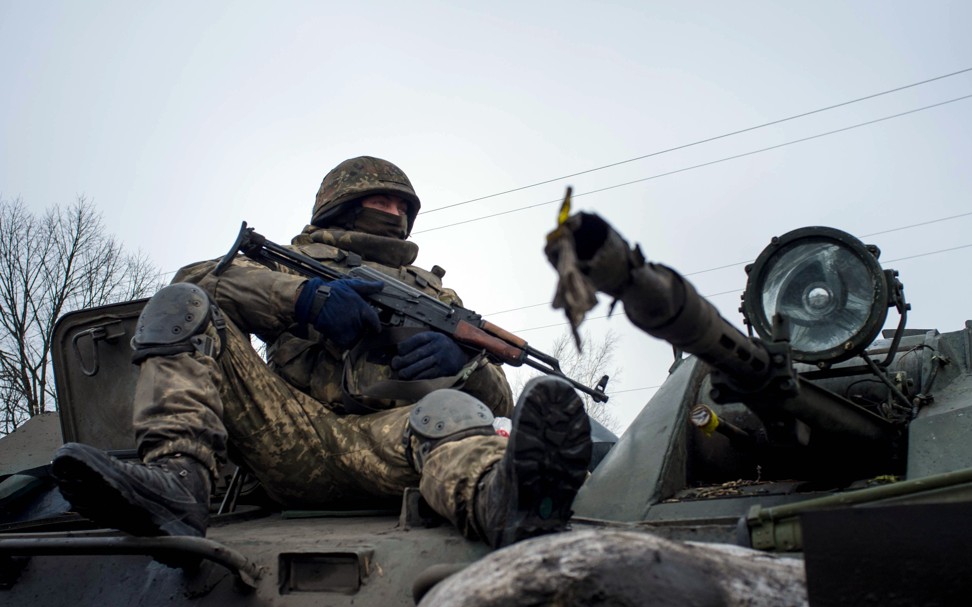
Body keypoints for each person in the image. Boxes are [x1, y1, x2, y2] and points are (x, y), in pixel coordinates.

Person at [51, 156, 591, 549]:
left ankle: (501, 503)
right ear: (343, 205)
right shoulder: (292, 262)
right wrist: (303, 298)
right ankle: (177, 482)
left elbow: (498, 400)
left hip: (395, 442)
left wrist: (463, 362)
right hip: (288, 435)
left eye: (403, 203)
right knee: (182, 304)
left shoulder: (438, 296)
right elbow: (196, 282)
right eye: (381, 199)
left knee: (451, 414)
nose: (395, 210)